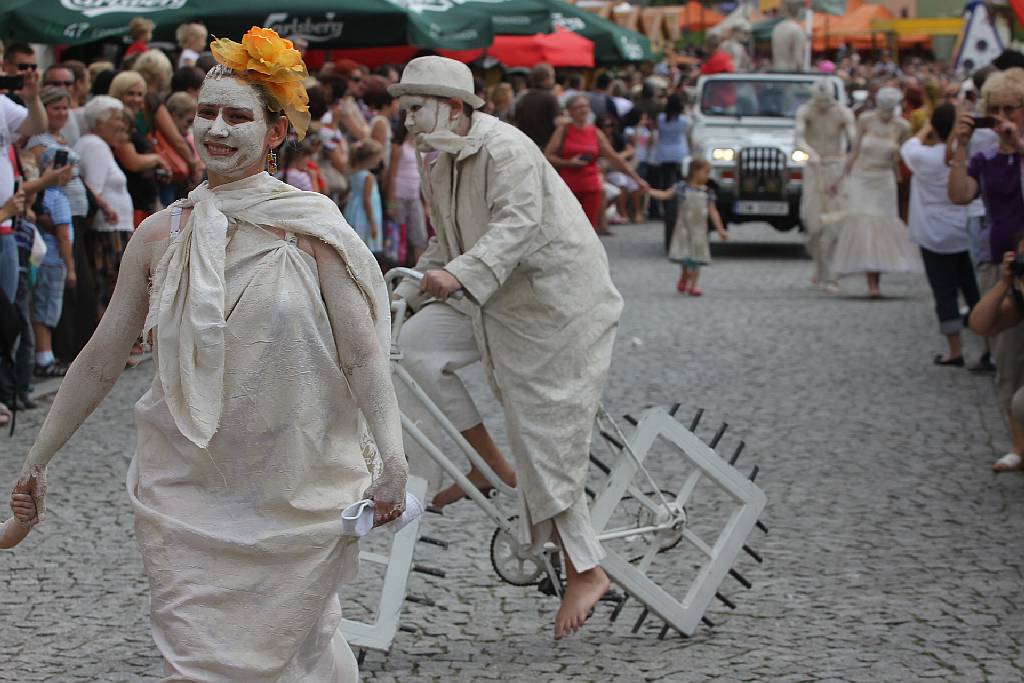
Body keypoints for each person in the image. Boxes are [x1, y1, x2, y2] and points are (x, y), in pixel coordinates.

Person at [12, 27, 407, 680]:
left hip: (294, 489)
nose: (218, 129)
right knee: (198, 663)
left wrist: (392, 454)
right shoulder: (159, 235)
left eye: (238, 116)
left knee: (308, 653)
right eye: (208, 114)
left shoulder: (312, 230)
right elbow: (102, 356)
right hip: (188, 496)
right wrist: (37, 457)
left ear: (276, 133)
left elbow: (365, 358)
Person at [390, 56, 623, 640]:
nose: (409, 121)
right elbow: (447, 241)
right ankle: (489, 467)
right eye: (405, 110)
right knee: (414, 346)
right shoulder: (441, 162)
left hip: (554, 306)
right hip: (493, 297)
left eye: (416, 108)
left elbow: (516, 227)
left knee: (545, 431)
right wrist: (415, 282)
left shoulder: (506, 150)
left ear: (455, 106)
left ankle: (586, 568)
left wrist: (461, 273)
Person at [948, 68, 1024, 471]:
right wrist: (960, 145)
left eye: (1009, 109)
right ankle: (1018, 446)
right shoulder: (986, 158)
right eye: (992, 111)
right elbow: (960, 194)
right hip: (1001, 264)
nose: (1001, 119)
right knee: (1007, 359)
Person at [901, 104, 976, 366]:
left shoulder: (923, 156)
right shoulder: (964, 155)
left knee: (944, 293)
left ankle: (955, 350)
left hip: (932, 233)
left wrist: (925, 128)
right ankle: (989, 346)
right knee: (972, 289)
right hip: (961, 230)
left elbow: (908, 145)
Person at [831, 87, 921, 296]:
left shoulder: (902, 126)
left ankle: (876, 280)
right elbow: (854, 152)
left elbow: (906, 155)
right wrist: (839, 178)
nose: (887, 112)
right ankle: (871, 281)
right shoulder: (865, 120)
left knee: (881, 226)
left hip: (885, 181)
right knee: (863, 225)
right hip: (862, 178)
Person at [545, 95, 647, 234]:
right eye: (578, 107)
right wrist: (568, 163)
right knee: (567, 232)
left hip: (591, 187)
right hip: (568, 188)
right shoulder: (563, 130)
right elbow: (548, 156)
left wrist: (636, 179)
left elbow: (615, 158)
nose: (583, 110)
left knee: (587, 232)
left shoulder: (595, 132)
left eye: (585, 106)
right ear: (569, 111)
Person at [794, 79, 856, 292]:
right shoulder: (805, 111)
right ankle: (820, 267)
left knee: (835, 223)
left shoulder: (842, 113)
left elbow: (852, 138)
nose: (822, 105)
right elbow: (798, 137)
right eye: (819, 101)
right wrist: (809, 153)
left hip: (836, 168)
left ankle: (831, 275)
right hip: (813, 169)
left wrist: (850, 158)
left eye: (826, 101)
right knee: (813, 225)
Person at [74, 96, 134, 307]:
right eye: (116, 118)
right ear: (100, 121)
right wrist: (107, 208)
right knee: (110, 288)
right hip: (109, 231)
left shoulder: (96, 144)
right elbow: (93, 187)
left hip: (113, 229)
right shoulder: (95, 146)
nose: (122, 124)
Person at [647, 158, 728, 295]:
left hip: (700, 230)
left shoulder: (708, 192)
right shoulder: (681, 187)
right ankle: (684, 275)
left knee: (697, 256)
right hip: (683, 228)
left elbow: (713, 211)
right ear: (695, 171)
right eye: (706, 172)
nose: (708, 176)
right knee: (684, 255)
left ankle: (693, 285)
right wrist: (649, 191)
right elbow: (666, 195)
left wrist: (720, 229)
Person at [653, 94, 690, 247]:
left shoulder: (661, 118)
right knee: (680, 180)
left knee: (665, 180)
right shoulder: (683, 120)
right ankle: (679, 203)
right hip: (680, 151)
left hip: (664, 151)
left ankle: (666, 204)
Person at [387, 123, 427, 262]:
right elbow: (391, 174)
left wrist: (425, 201)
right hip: (399, 195)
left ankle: (418, 272)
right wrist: (391, 202)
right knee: (399, 239)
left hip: (414, 196)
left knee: (420, 237)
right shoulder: (399, 146)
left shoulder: (420, 146)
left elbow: (423, 175)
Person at [345, 139, 384, 253]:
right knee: (365, 248)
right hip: (364, 215)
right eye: (377, 156)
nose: (379, 159)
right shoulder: (368, 177)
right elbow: (367, 200)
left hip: (353, 211)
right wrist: (372, 223)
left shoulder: (354, 172)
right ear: (369, 157)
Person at [514, 62, 560, 149]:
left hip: (524, 144)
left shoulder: (523, 96)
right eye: (552, 76)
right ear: (546, 79)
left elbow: (515, 118)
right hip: (544, 146)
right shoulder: (550, 97)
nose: (554, 80)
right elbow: (557, 123)